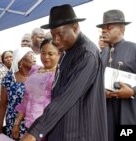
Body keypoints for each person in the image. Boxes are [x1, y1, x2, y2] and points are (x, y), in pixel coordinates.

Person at [21, 4, 107, 141]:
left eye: (60, 34)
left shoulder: (86, 54)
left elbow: (67, 97)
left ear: (75, 27)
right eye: (53, 35)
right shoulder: (68, 51)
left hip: (78, 133)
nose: (56, 40)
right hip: (62, 129)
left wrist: (36, 132)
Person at [97, 9, 136, 141]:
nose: (104, 30)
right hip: (106, 113)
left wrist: (132, 91)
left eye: (109, 27)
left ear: (121, 28)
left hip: (128, 112)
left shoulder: (133, 49)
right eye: (103, 27)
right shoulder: (102, 54)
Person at [12, 39, 60, 140]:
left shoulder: (59, 74)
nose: (46, 57)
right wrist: (17, 123)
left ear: (59, 54)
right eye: (43, 53)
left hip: (47, 127)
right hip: (29, 124)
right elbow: (26, 99)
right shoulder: (34, 70)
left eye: (50, 54)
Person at [0, 47, 36, 140]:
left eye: (34, 55)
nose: (34, 58)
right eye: (30, 55)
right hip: (13, 123)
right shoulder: (9, 78)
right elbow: (3, 105)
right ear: (20, 60)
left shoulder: (38, 77)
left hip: (33, 122)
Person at [0, 50, 13, 128]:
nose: (9, 59)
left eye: (11, 57)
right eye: (6, 57)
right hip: (4, 110)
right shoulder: (0, 72)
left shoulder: (16, 71)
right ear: (2, 60)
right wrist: (1, 108)